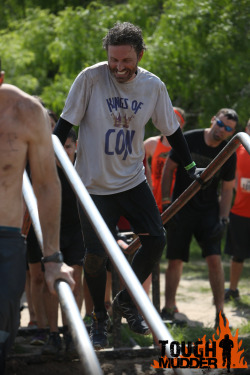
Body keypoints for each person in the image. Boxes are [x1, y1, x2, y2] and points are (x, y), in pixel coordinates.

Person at [53, 22, 201, 350]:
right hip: (92, 184)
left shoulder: (152, 86)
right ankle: (99, 319)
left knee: (156, 239)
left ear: (140, 55)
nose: (119, 68)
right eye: (113, 60)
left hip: (132, 180)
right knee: (94, 256)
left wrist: (190, 166)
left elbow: (172, 131)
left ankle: (124, 300)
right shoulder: (90, 78)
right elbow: (63, 126)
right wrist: (50, 162)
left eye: (126, 61)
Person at [0, 68, 75, 374]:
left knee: (3, 333)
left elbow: (46, 184)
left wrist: (53, 258)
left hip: (5, 239)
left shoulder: (27, 112)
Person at [161, 108, 238, 328]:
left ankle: (220, 314)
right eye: (220, 124)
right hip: (181, 206)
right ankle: (169, 308)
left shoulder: (227, 151)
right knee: (175, 259)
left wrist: (223, 219)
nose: (221, 130)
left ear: (232, 133)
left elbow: (227, 189)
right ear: (213, 119)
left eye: (228, 129)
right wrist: (167, 204)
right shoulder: (189, 139)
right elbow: (168, 169)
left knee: (214, 259)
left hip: (208, 211)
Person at [42, 128, 85, 355]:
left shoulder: (83, 165)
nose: (64, 151)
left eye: (68, 147)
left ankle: (71, 331)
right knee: (51, 284)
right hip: (52, 230)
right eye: (61, 147)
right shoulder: (45, 166)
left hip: (77, 229)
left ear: (76, 146)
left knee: (75, 280)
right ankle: (52, 333)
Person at [224, 118, 250, 301]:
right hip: (240, 211)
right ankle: (233, 290)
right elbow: (230, 177)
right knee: (237, 255)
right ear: (246, 129)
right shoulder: (238, 149)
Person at [144, 107, 186, 213]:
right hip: (153, 197)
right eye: (168, 118)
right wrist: (147, 180)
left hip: (176, 198)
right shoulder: (152, 143)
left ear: (181, 125)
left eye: (175, 121)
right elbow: (136, 160)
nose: (170, 123)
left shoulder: (185, 146)